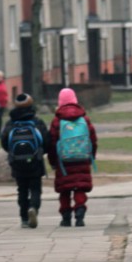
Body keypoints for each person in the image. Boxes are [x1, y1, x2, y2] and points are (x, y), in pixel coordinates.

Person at [47, 88, 98, 227]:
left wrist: (52, 161)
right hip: (82, 158)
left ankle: (66, 217)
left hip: (63, 161)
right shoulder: (84, 119)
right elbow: (92, 139)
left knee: (65, 189)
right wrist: (91, 156)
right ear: (75, 100)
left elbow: (51, 143)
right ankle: (80, 211)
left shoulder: (57, 121)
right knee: (80, 187)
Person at [1, 93, 50, 229]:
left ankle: (23, 218)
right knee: (35, 188)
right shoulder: (37, 122)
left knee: (22, 190)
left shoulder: (11, 123)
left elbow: (4, 142)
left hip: (17, 163)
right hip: (35, 161)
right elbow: (46, 141)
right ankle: (33, 208)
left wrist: (14, 153)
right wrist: (40, 152)